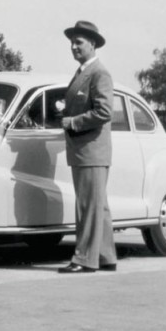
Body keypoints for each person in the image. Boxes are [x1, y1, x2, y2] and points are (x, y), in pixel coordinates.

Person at [58, 20, 118, 274]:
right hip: (86, 150)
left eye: (79, 42)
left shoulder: (99, 73)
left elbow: (104, 112)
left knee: (87, 207)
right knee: (97, 206)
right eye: (72, 42)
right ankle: (105, 256)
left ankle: (84, 259)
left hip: (91, 151)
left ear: (92, 44)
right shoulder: (83, 72)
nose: (74, 46)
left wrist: (72, 122)